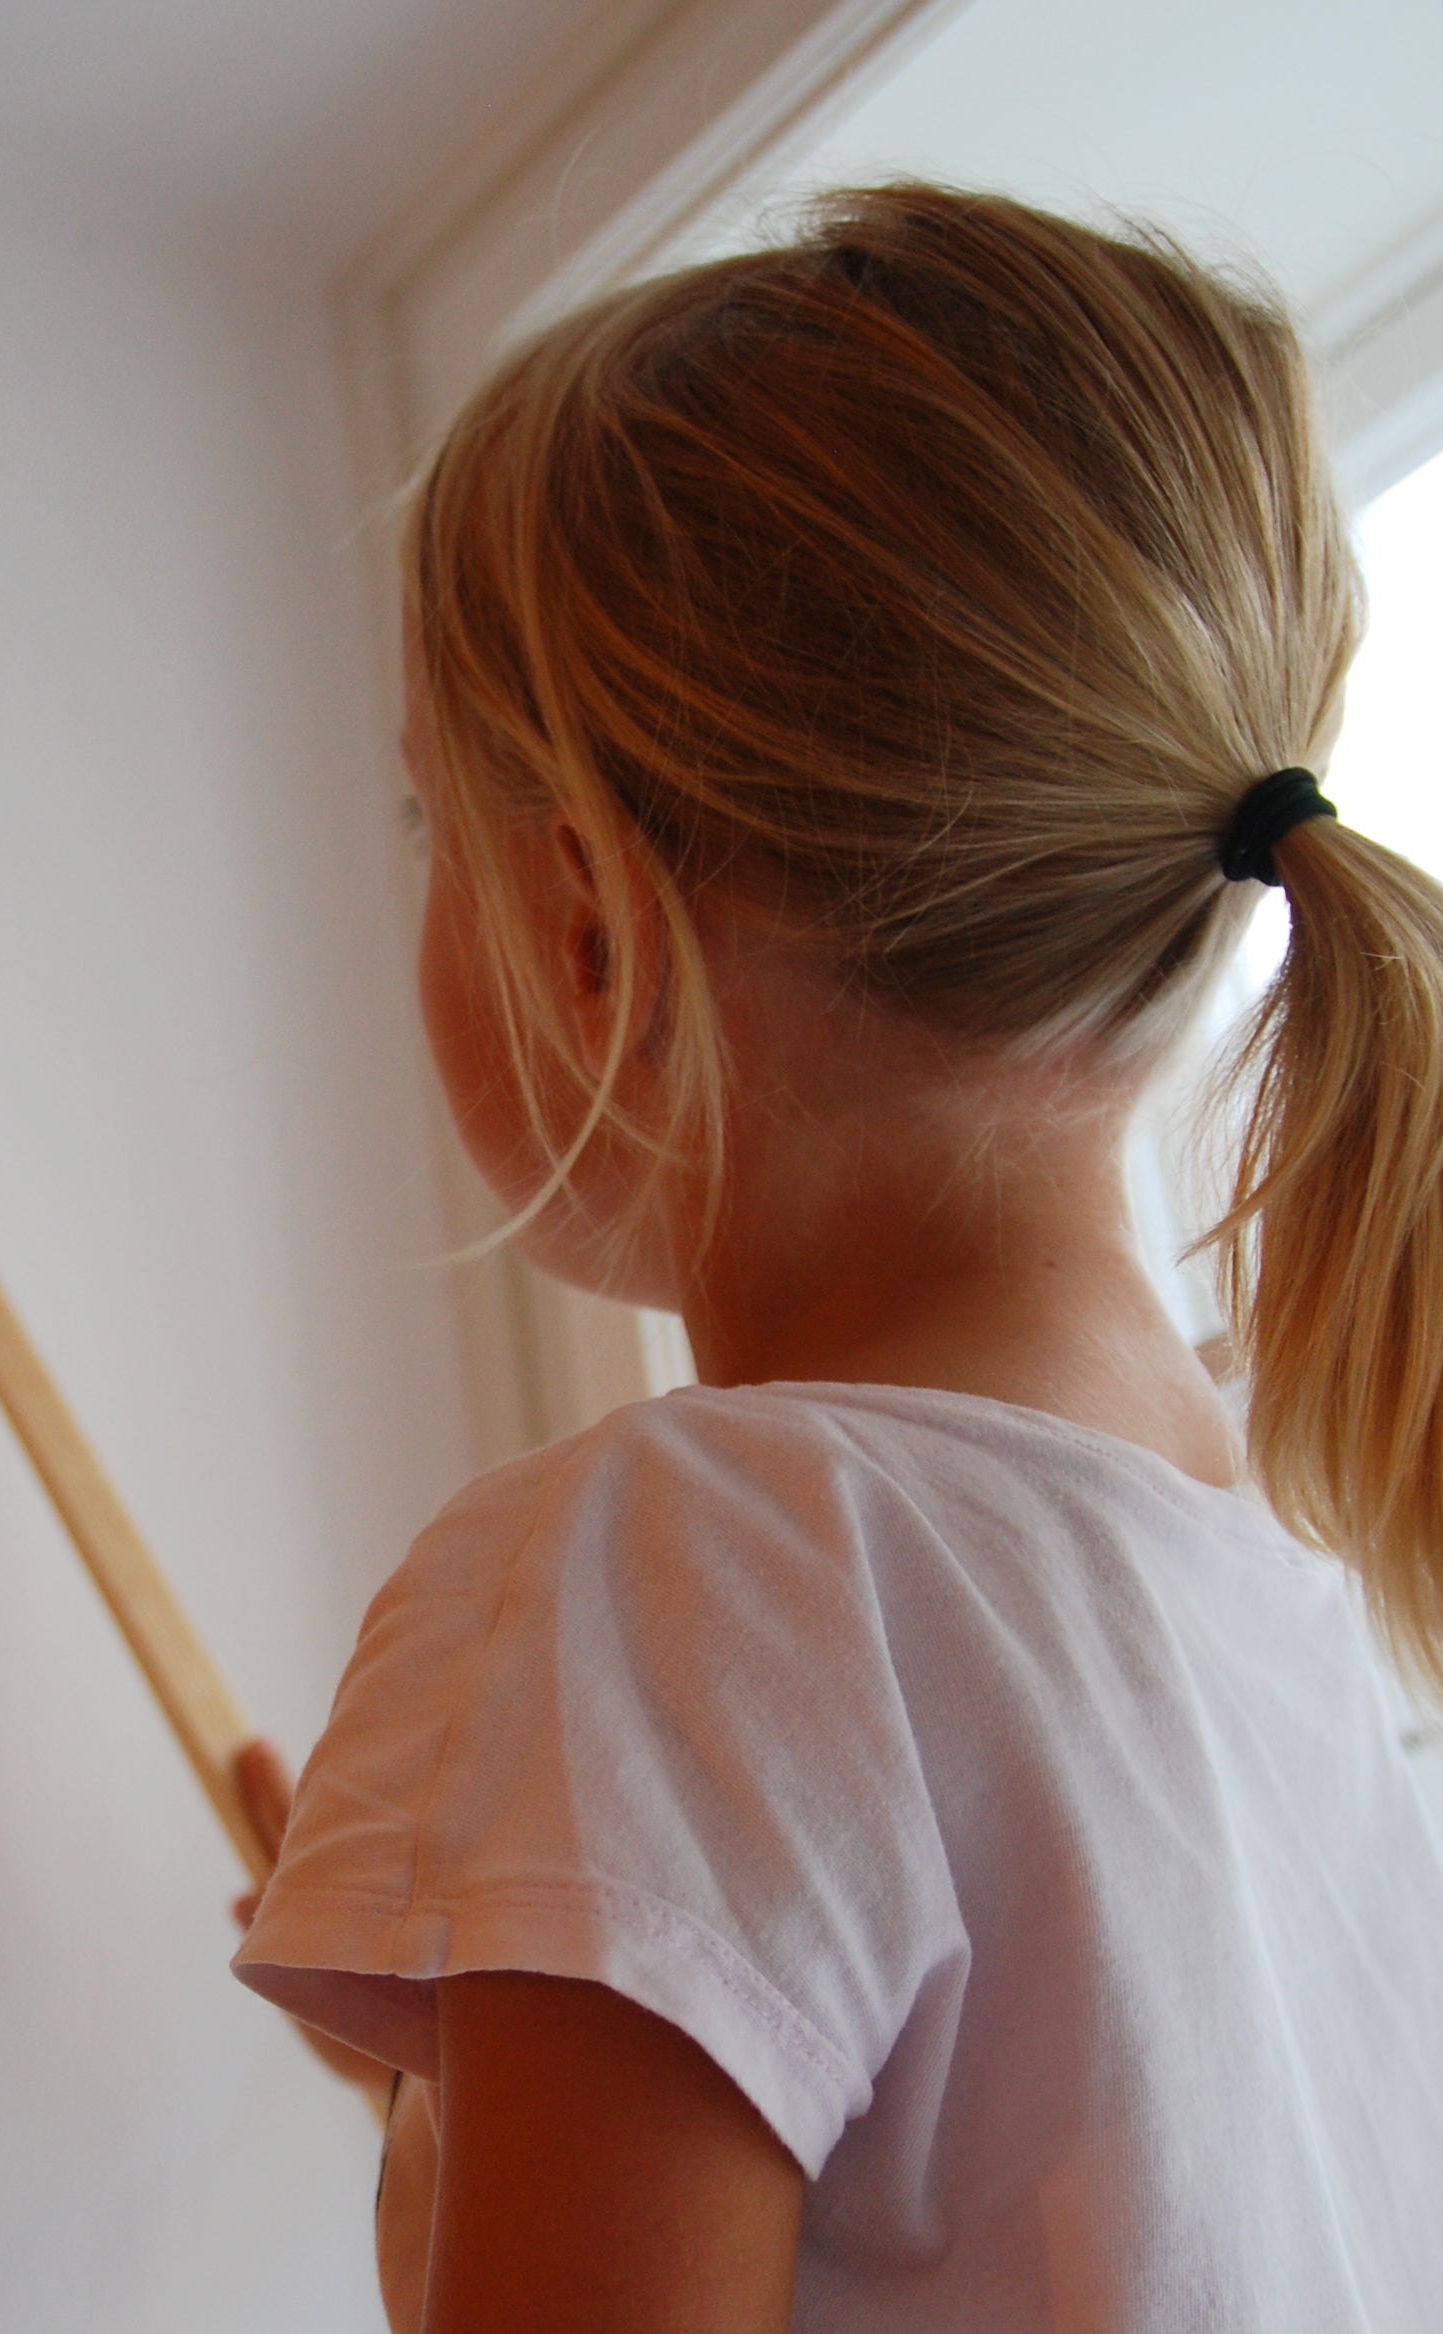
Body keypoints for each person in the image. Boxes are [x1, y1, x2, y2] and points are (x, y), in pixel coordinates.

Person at [229, 185, 1443, 2331]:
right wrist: (514, 1986)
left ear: (588, 932)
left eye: (433, 822)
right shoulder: (1304, 1601)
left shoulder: (679, 1560)